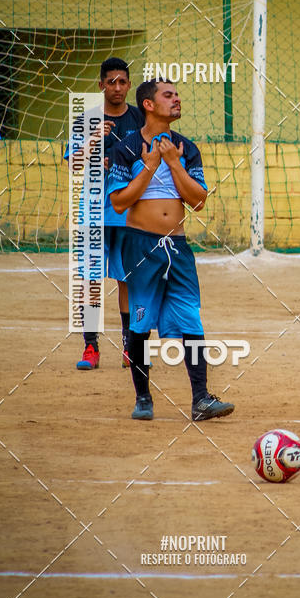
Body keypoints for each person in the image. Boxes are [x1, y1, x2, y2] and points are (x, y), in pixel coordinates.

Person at [107, 78, 235, 422]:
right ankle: (143, 399)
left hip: (176, 248)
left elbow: (198, 200)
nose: (177, 99)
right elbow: (119, 202)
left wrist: (173, 163)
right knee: (140, 322)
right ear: (149, 104)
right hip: (140, 246)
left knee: (190, 317)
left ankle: (201, 399)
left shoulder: (186, 148)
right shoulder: (127, 148)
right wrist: (150, 166)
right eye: (169, 95)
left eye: (177, 95)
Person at [64, 57, 143, 370]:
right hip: (94, 211)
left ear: (129, 84)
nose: (118, 88)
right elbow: (74, 164)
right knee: (90, 281)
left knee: (129, 280)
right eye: (111, 82)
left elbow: (149, 161)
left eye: (123, 82)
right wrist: (96, 139)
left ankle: (129, 347)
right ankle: (90, 347)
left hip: (129, 213)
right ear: (101, 85)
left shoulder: (139, 118)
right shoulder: (86, 119)